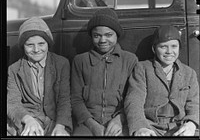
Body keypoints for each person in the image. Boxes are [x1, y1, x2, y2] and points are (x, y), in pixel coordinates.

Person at [71, 8, 138, 136]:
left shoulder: (130, 60)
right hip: (87, 122)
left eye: (108, 35)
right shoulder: (80, 61)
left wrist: (120, 119)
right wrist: (92, 125)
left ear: (117, 35)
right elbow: (75, 99)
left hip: (119, 121)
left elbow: (134, 98)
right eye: (97, 35)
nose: (102, 40)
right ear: (91, 36)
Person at [125, 25, 199, 136]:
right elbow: (134, 101)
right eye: (163, 47)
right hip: (150, 127)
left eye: (174, 46)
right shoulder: (142, 68)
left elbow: (194, 104)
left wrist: (191, 124)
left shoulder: (189, 73)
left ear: (179, 48)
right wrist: (140, 127)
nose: (169, 51)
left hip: (180, 127)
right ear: (154, 49)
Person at [7, 17, 72, 136]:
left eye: (41, 44)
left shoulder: (61, 64)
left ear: (48, 44)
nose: (36, 50)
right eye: (30, 45)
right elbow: (12, 102)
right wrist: (27, 119)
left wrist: (60, 126)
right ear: (23, 46)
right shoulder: (14, 69)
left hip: (55, 119)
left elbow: (64, 99)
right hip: (29, 118)